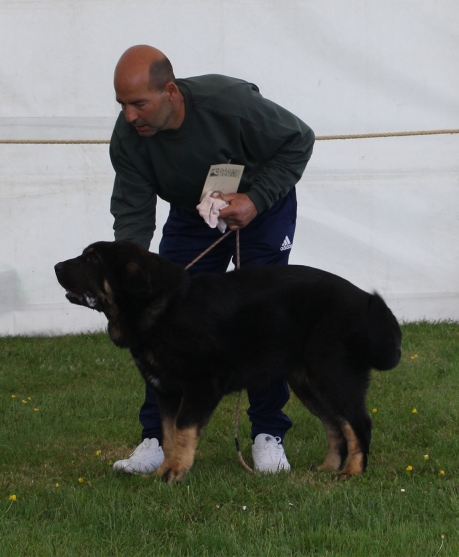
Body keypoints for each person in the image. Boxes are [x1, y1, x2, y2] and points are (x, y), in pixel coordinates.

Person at [109, 45, 315, 474]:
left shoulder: (231, 104)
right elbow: (132, 209)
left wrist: (256, 200)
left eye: (139, 104)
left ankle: (268, 433)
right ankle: (156, 438)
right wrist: (131, 275)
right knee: (159, 320)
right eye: (122, 105)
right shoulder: (129, 136)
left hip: (261, 208)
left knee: (263, 319)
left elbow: (299, 140)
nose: (130, 116)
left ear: (170, 92)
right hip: (192, 214)